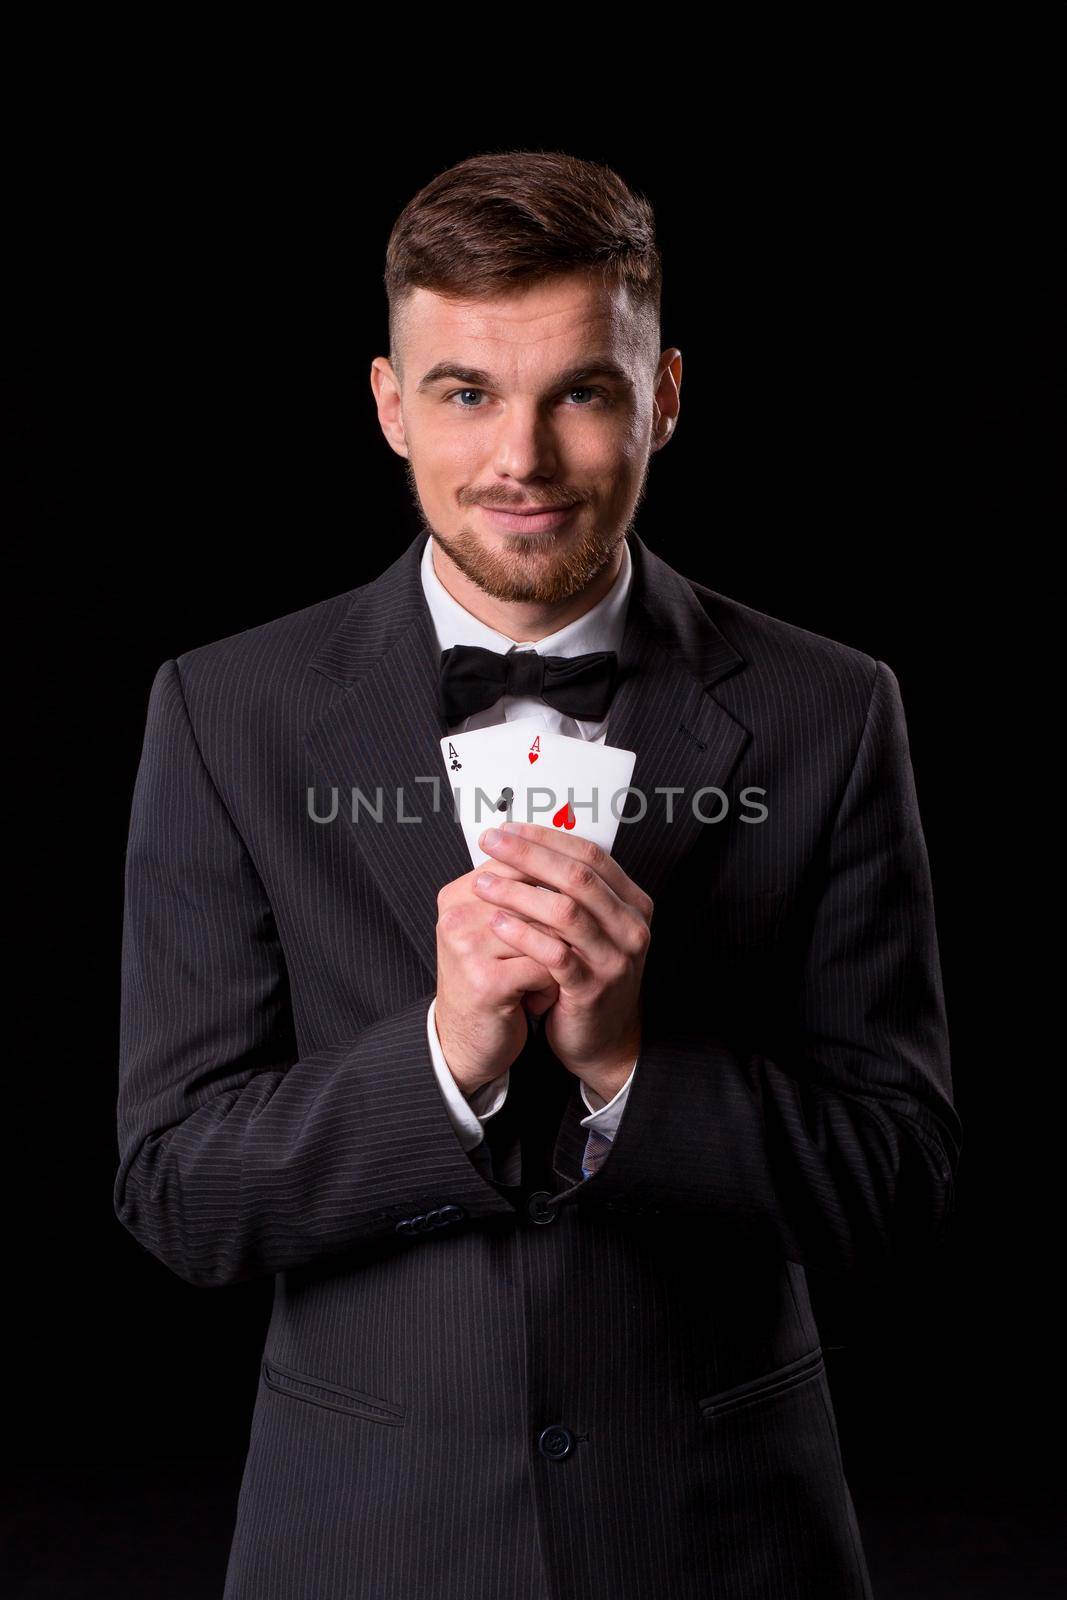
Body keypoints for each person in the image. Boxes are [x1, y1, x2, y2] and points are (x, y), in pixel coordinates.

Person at [114, 150, 961, 1600]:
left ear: (667, 395)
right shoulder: (223, 710)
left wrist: (634, 1064)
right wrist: (441, 1062)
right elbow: (176, 1187)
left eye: (581, 390)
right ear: (389, 403)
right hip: (361, 1541)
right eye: (465, 392)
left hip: (725, 1536)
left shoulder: (835, 709)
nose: (522, 457)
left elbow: (895, 1178)